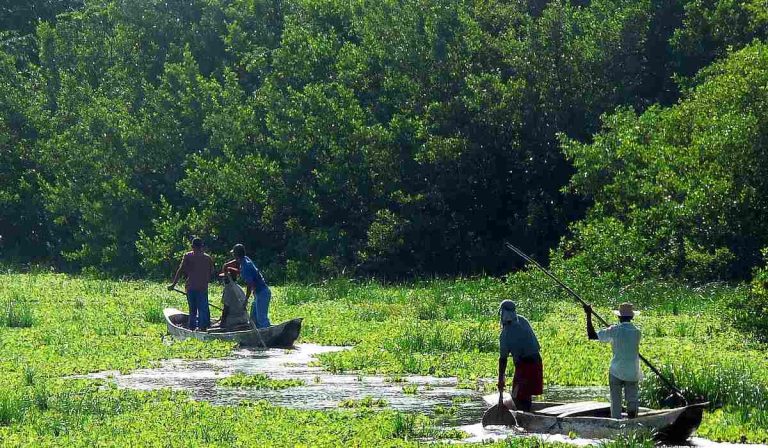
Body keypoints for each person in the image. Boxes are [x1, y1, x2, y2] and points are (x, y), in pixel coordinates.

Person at [584, 302, 643, 419]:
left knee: (616, 401)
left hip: (616, 371)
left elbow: (592, 335)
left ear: (619, 316)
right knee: (632, 400)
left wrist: (589, 315)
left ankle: (616, 421)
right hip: (632, 371)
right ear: (632, 317)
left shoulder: (614, 330)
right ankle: (633, 420)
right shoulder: (637, 332)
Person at [497, 299, 543, 412]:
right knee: (525, 394)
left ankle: (524, 417)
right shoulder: (523, 320)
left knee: (518, 397)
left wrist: (501, 379)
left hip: (525, 365)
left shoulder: (505, 334)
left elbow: (503, 360)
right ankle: (527, 412)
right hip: (537, 361)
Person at [168, 237, 215, 331]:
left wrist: (173, 284)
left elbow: (180, 270)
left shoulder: (188, 256)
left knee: (193, 310)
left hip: (192, 288)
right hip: (202, 288)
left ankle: (193, 328)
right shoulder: (207, 258)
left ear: (192, 246)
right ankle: (203, 328)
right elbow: (211, 272)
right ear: (202, 247)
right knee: (202, 309)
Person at [222, 244, 271, 328]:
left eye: (234, 254)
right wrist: (226, 265)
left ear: (236, 255)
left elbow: (250, 285)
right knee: (253, 318)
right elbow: (235, 262)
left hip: (262, 293)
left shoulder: (245, 267)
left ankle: (268, 334)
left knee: (261, 319)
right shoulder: (246, 259)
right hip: (258, 294)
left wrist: (246, 300)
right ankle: (254, 335)